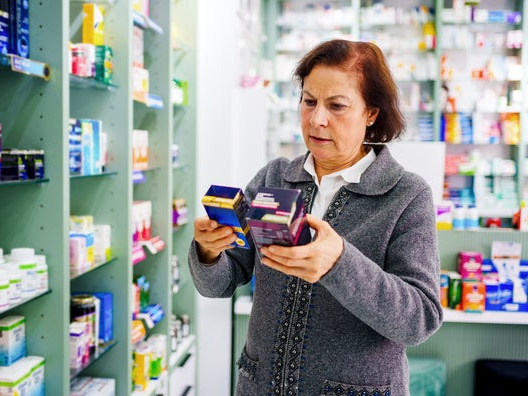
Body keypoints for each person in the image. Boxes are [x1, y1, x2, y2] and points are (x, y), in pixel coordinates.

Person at [189, 39, 443, 396]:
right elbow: (219, 283)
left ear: (371, 113)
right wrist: (209, 252)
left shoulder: (405, 195)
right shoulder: (274, 178)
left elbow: (420, 320)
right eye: (309, 102)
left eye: (337, 106)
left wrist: (340, 262)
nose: (317, 119)